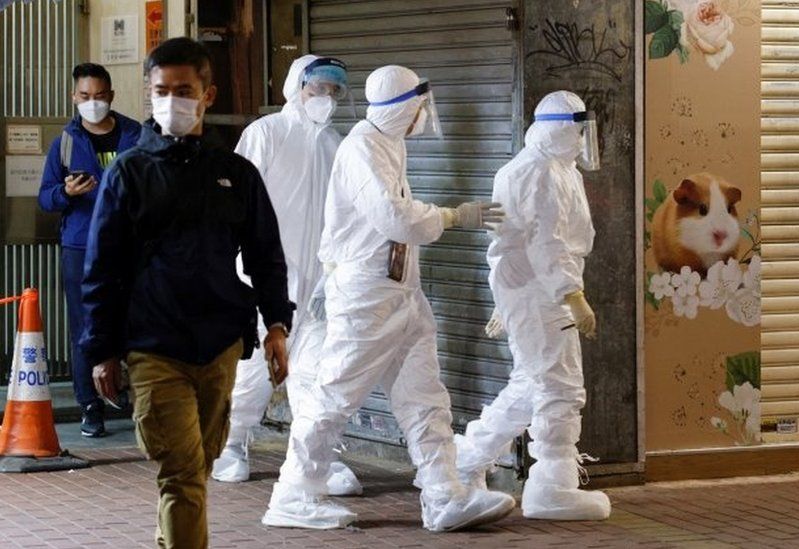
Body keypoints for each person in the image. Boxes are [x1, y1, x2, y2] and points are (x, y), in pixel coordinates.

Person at [262, 64, 515, 532]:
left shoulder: (388, 144)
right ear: (404, 109)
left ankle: (442, 495)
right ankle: (293, 494)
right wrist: (455, 216)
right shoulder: (361, 149)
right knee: (335, 395)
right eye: (419, 106)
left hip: (400, 294)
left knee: (424, 396)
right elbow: (395, 219)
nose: (424, 115)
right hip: (365, 299)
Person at [80, 38, 292, 549]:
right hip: (153, 344)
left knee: (197, 465)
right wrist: (102, 351)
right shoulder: (129, 172)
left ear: (207, 94)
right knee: (182, 473)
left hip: (219, 345)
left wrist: (277, 326)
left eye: (184, 90)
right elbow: (101, 269)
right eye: (161, 91)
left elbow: (266, 255)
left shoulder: (235, 174)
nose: (171, 100)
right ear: (148, 93)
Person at [453, 91, 611, 521]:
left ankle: (463, 461)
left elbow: (509, 241)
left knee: (532, 384)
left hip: (532, 291)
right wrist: (571, 296)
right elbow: (546, 243)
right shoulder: (537, 171)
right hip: (543, 291)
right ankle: (552, 487)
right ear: (561, 128)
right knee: (558, 385)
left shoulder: (553, 167)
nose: (581, 139)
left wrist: (507, 300)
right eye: (577, 130)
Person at [210, 55, 361, 496]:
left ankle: (314, 458)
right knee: (252, 372)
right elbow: (233, 202)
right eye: (318, 89)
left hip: (316, 284)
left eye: (334, 91)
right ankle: (230, 445)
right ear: (296, 86)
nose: (326, 99)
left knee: (315, 375)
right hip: (265, 279)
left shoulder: (336, 144)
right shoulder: (266, 134)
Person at [37, 63, 141, 438]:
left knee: (135, 322)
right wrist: (66, 193)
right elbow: (45, 197)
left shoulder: (136, 135)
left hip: (128, 246)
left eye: (99, 96)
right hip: (80, 247)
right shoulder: (65, 141)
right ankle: (90, 408)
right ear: (74, 98)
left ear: (111, 95)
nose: (92, 103)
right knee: (85, 328)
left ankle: (134, 400)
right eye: (85, 97)